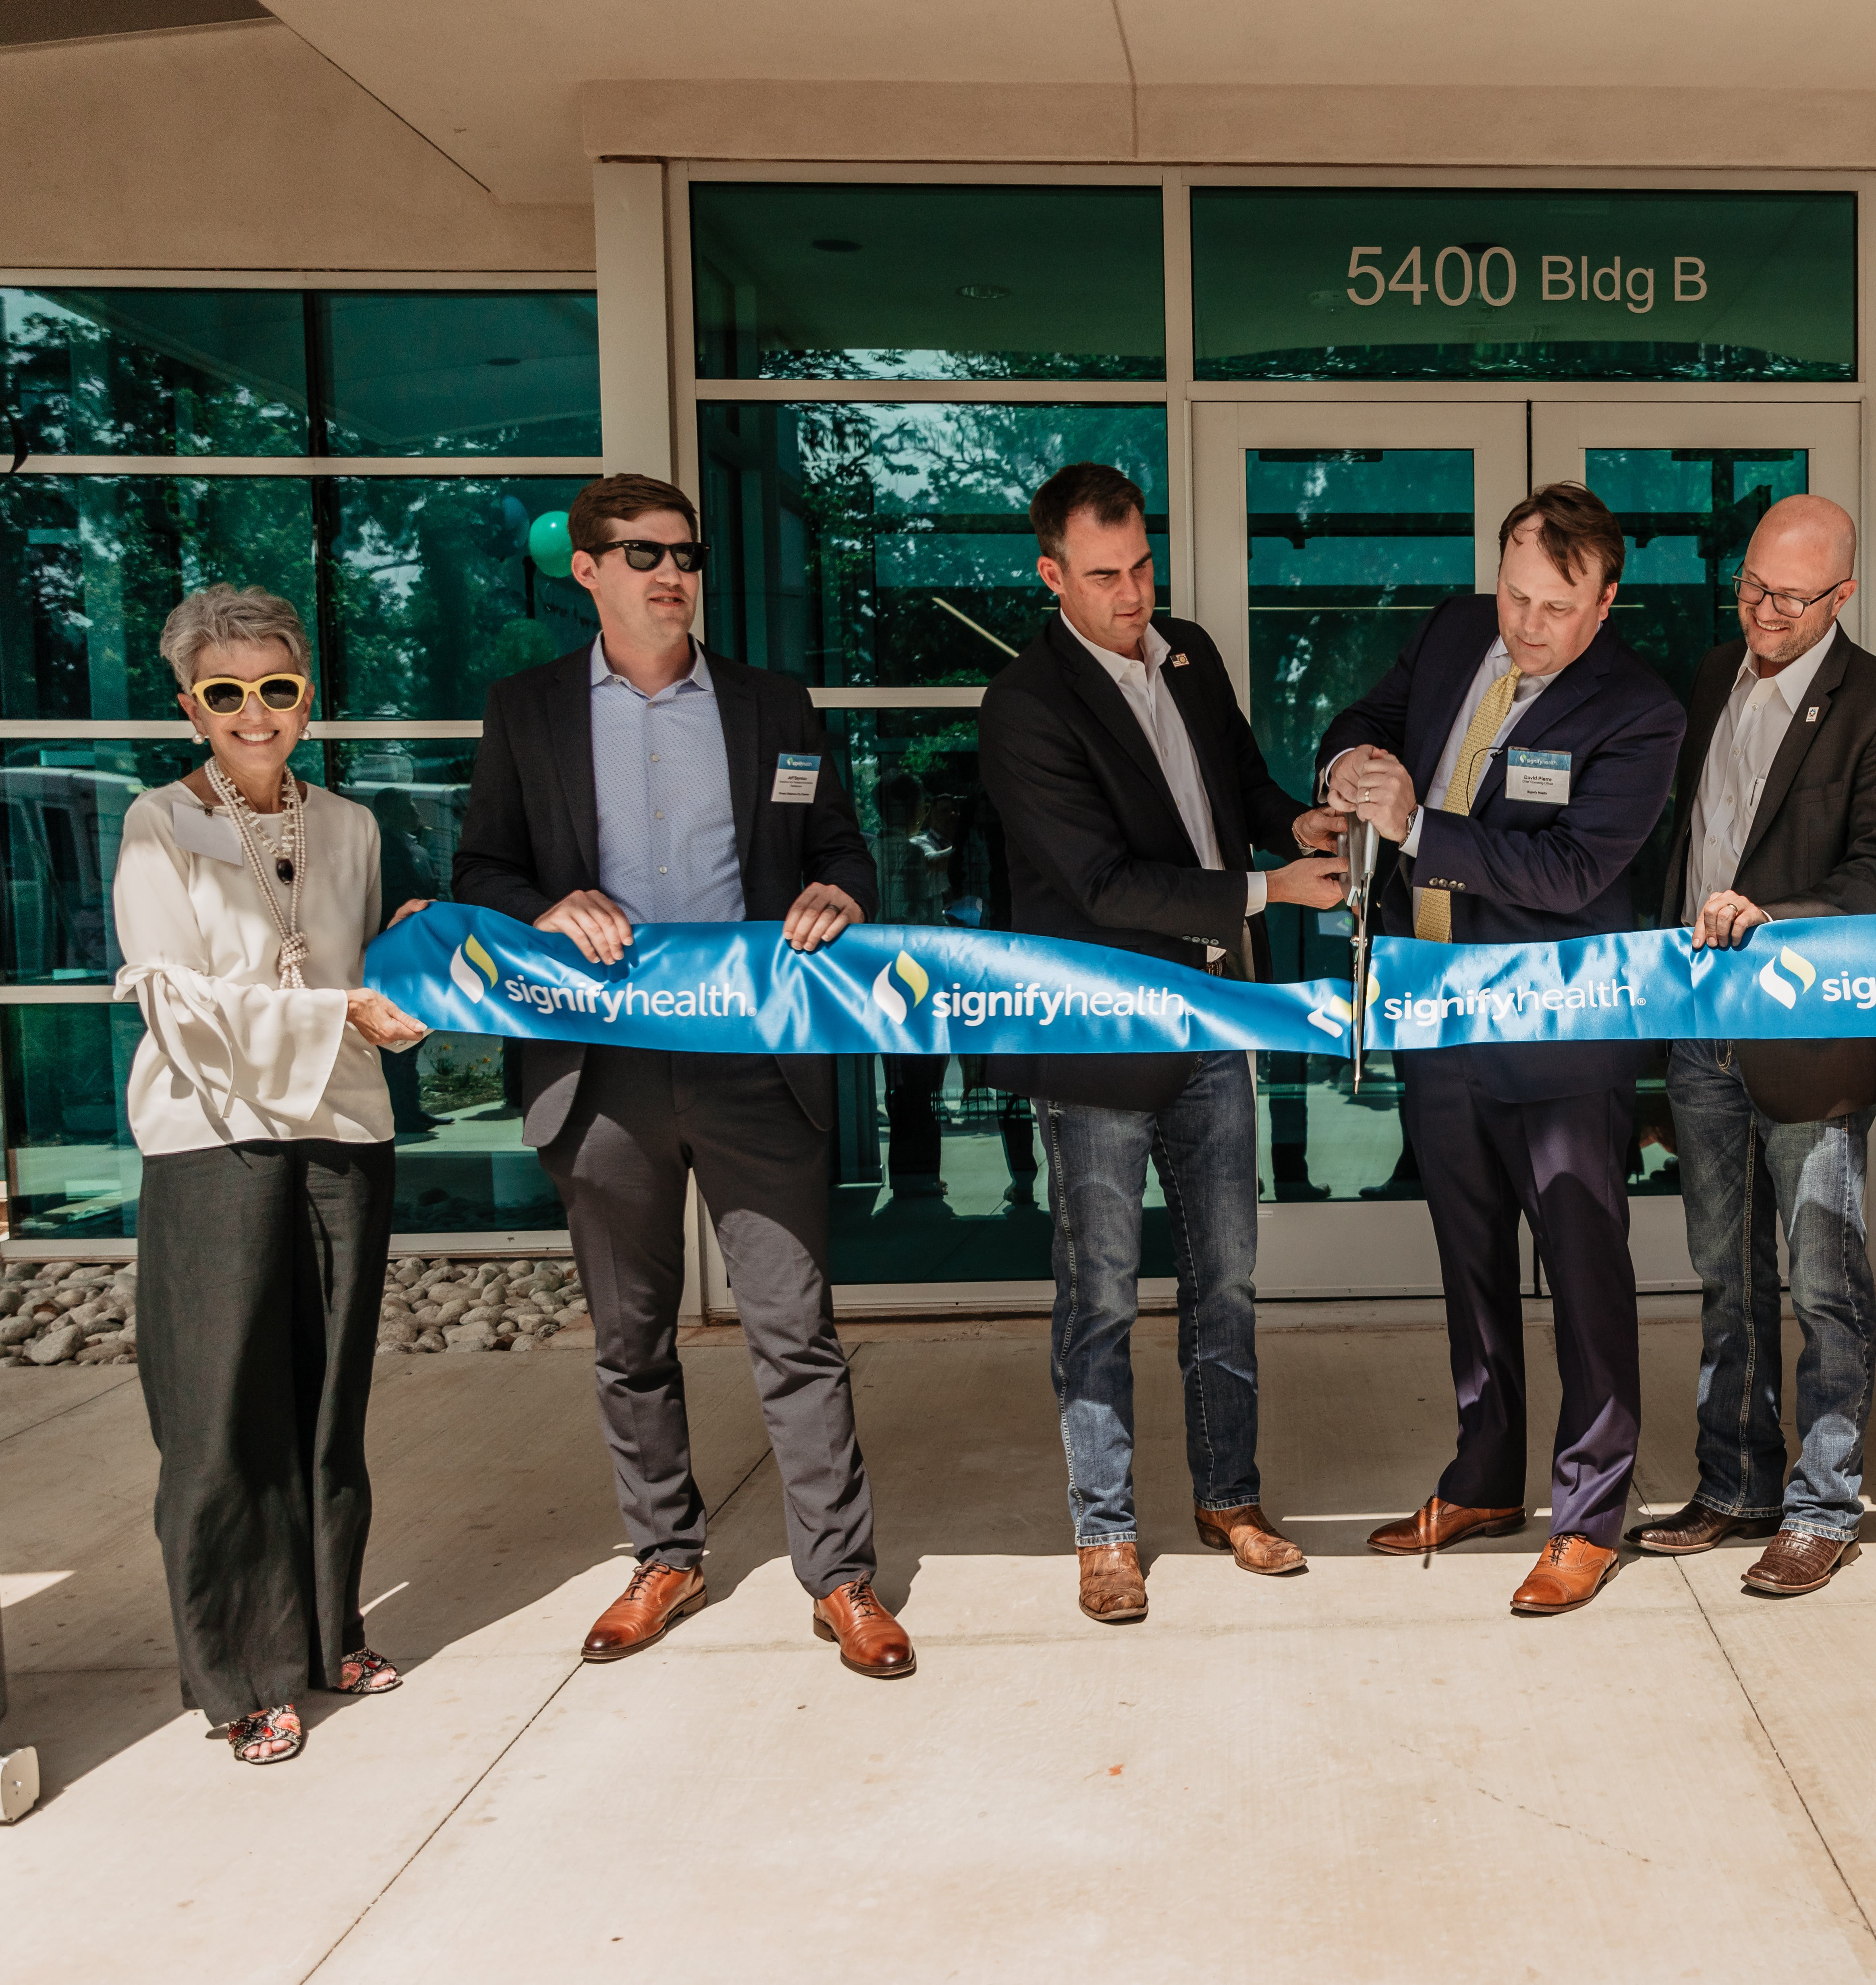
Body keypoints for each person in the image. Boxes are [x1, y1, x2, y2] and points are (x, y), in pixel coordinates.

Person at [453, 473, 912, 1680]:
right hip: (600, 1069)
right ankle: (665, 1552)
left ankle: (843, 1578)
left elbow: (842, 843)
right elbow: (481, 866)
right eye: (643, 553)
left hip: (754, 1060)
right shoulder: (529, 709)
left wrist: (841, 890)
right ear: (587, 570)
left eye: (687, 554)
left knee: (794, 1328)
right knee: (630, 1336)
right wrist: (548, 905)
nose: (672, 574)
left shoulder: (773, 704)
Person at [976, 461, 1349, 1624]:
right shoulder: (1025, 704)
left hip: (1211, 1020)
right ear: (1052, 576)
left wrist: (1291, 817)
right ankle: (1104, 1530)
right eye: (1105, 576)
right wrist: (1269, 887)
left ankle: (1229, 1497)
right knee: (1097, 1288)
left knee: (1224, 1278)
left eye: (1142, 566)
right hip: (1097, 1035)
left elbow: (1233, 779)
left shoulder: (1184, 648)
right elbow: (1098, 881)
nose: (1133, 594)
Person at [1321, 484, 1685, 1616]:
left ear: (1605, 599)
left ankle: (1586, 1513)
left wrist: (1418, 827)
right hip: (1433, 1016)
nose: (1526, 625)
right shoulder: (1449, 629)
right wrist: (1346, 772)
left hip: (1556, 1034)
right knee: (1466, 1265)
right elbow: (1362, 719)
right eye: (1515, 596)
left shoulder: (1639, 710)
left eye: (1556, 608)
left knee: (1582, 1277)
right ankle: (1483, 1478)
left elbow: (1573, 872)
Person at [112, 585, 432, 1765]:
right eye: (228, 692)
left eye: (278, 688)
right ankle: (241, 1668)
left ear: (307, 695)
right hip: (213, 1132)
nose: (257, 714)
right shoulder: (157, 823)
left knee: (327, 1398)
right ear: (191, 702)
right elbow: (173, 995)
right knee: (219, 1417)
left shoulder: (346, 823)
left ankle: (328, 1627)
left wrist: (394, 1014)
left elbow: (361, 974)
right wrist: (333, 1010)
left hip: (344, 1125)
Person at [1631, 495, 1876, 1597]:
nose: (1764, 609)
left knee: (1823, 1279)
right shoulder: (1717, 672)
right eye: (1753, 585)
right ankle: (1736, 1484)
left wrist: (1775, 913)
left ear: (1842, 595)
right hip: (1704, 1033)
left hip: (1807, 1041)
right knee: (1724, 1275)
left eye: (1791, 596)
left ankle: (1822, 1503)